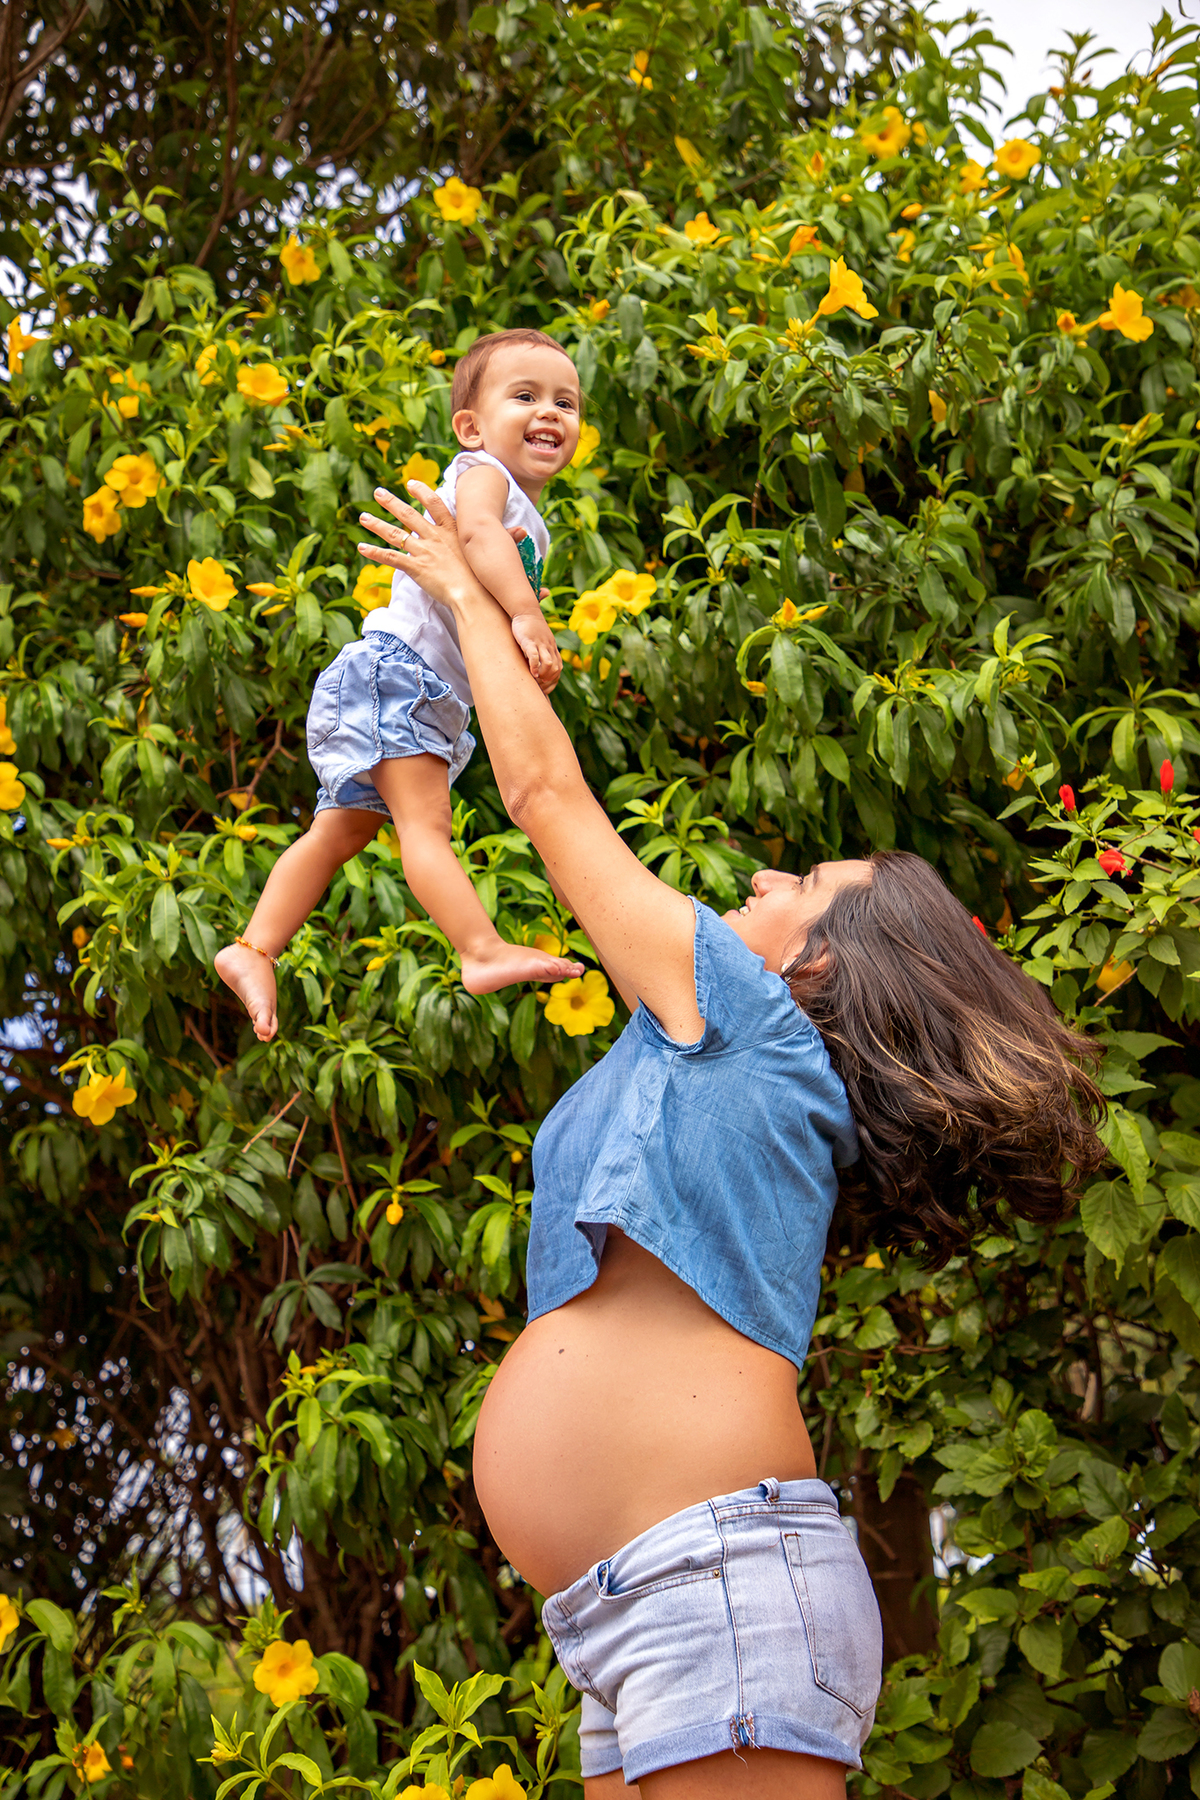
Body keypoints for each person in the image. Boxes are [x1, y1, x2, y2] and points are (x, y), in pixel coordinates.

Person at [359, 484, 1108, 1799]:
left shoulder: (750, 1020)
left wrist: (466, 594)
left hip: (714, 1581)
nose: (764, 881)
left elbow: (544, 791)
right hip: (639, 1596)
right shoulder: (710, 1055)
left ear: (823, 972)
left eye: (804, 889)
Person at [216, 328, 586, 1043]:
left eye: (565, 401)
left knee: (342, 830)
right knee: (426, 829)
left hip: (401, 683)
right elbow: (475, 537)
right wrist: (528, 613)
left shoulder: (522, 505)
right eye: (526, 396)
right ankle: (478, 949)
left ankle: (255, 947)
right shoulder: (487, 477)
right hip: (404, 678)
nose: (550, 412)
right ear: (471, 427)